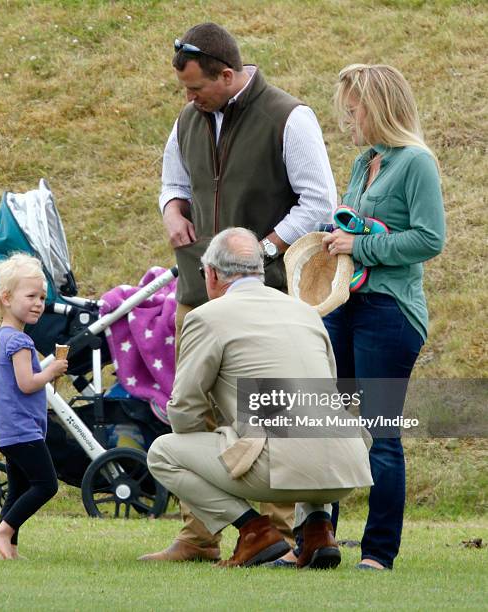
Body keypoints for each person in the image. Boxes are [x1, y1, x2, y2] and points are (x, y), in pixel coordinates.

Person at [144, 20, 338, 562]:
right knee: (200, 412)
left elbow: (319, 200)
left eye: (195, 88)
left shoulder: (289, 117)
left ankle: (270, 530)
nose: (187, 98)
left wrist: (268, 247)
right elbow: (173, 182)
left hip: (267, 294)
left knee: (265, 414)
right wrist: (172, 212)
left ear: (227, 75)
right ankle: (200, 536)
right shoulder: (189, 119)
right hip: (199, 290)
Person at [147, 228, 373, 568]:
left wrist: (216, 442)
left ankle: (254, 531)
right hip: (347, 466)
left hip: (280, 472)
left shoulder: (206, 317)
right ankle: (318, 530)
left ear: (211, 274)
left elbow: (184, 407)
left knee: (163, 452)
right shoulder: (306, 312)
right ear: (260, 271)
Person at [321, 64, 445, 570]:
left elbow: (429, 239)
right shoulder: (363, 161)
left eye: (354, 111)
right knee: (321, 424)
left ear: (379, 108)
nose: (348, 121)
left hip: (389, 313)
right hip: (343, 306)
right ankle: (318, 538)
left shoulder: (416, 163)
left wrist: (361, 245)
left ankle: (377, 553)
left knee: (380, 432)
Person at [0, 254, 68, 560]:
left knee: (18, 488)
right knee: (46, 485)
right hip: (21, 428)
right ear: (6, 298)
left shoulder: (2, 335)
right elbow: (27, 383)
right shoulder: (19, 342)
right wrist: (52, 371)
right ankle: (3, 531)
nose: (38, 303)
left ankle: (9, 548)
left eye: (42, 297)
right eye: (31, 296)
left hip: (10, 428)